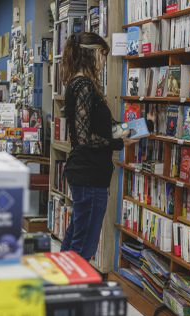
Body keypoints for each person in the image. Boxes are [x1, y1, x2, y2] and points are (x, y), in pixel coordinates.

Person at [60, 32, 138, 260]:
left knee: (76, 237)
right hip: (90, 175)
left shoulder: (76, 83)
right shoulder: (84, 85)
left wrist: (131, 129)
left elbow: (100, 127)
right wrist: (117, 141)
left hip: (85, 174)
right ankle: (71, 292)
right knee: (83, 246)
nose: (103, 62)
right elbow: (84, 139)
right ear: (91, 53)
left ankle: (59, 288)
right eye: (102, 55)